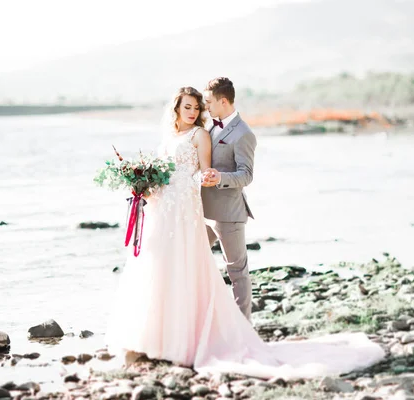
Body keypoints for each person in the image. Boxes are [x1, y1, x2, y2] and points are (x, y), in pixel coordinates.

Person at [105, 85, 384, 379]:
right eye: (189, 107)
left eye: (199, 106)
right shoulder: (178, 134)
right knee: (164, 264)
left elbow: (216, 171)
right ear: (176, 108)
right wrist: (145, 184)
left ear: (219, 103)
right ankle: (154, 335)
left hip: (199, 208)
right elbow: (165, 168)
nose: (196, 111)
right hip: (165, 208)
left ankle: (233, 331)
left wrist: (210, 178)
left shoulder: (212, 134)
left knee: (230, 268)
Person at [201, 77, 256, 321]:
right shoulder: (211, 126)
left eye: (209, 102)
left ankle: (244, 327)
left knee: (237, 272)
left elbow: (246, 175)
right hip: (204, 212)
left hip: (229, 214)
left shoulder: (244, 134)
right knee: (194, 261)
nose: (206, 106)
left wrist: (220, 177)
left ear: (224, 101)